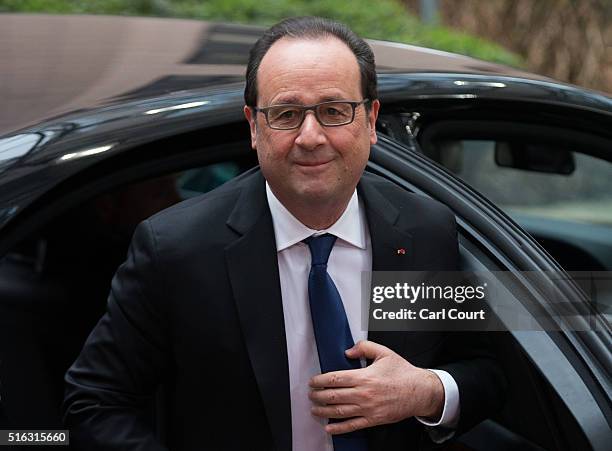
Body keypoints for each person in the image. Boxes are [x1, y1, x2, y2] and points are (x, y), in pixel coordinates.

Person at [63, 16, 505, 451]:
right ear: (254, 127)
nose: (310, 137)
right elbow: (96, 403)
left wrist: (425, 391)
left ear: (370, 120)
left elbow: (488, 372)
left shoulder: (422, 230)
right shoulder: (179, 250)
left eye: (334, 111)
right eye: (286, 114)